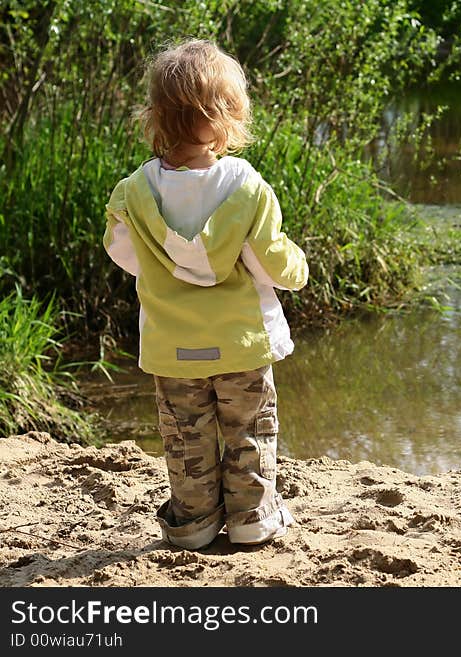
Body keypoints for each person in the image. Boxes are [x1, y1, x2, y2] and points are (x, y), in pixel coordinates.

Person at [102, 39, 308, 550]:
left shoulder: (133, 191)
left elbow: (121, 253)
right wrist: (297, 269)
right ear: (224, 117)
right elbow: (271, 262)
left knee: (186, 438)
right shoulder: (245, 187)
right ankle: (251, 520)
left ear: (157, 117)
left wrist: (164, 270)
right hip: (239, 342)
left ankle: (192, 525)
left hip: (172, 347)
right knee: (248, 433)